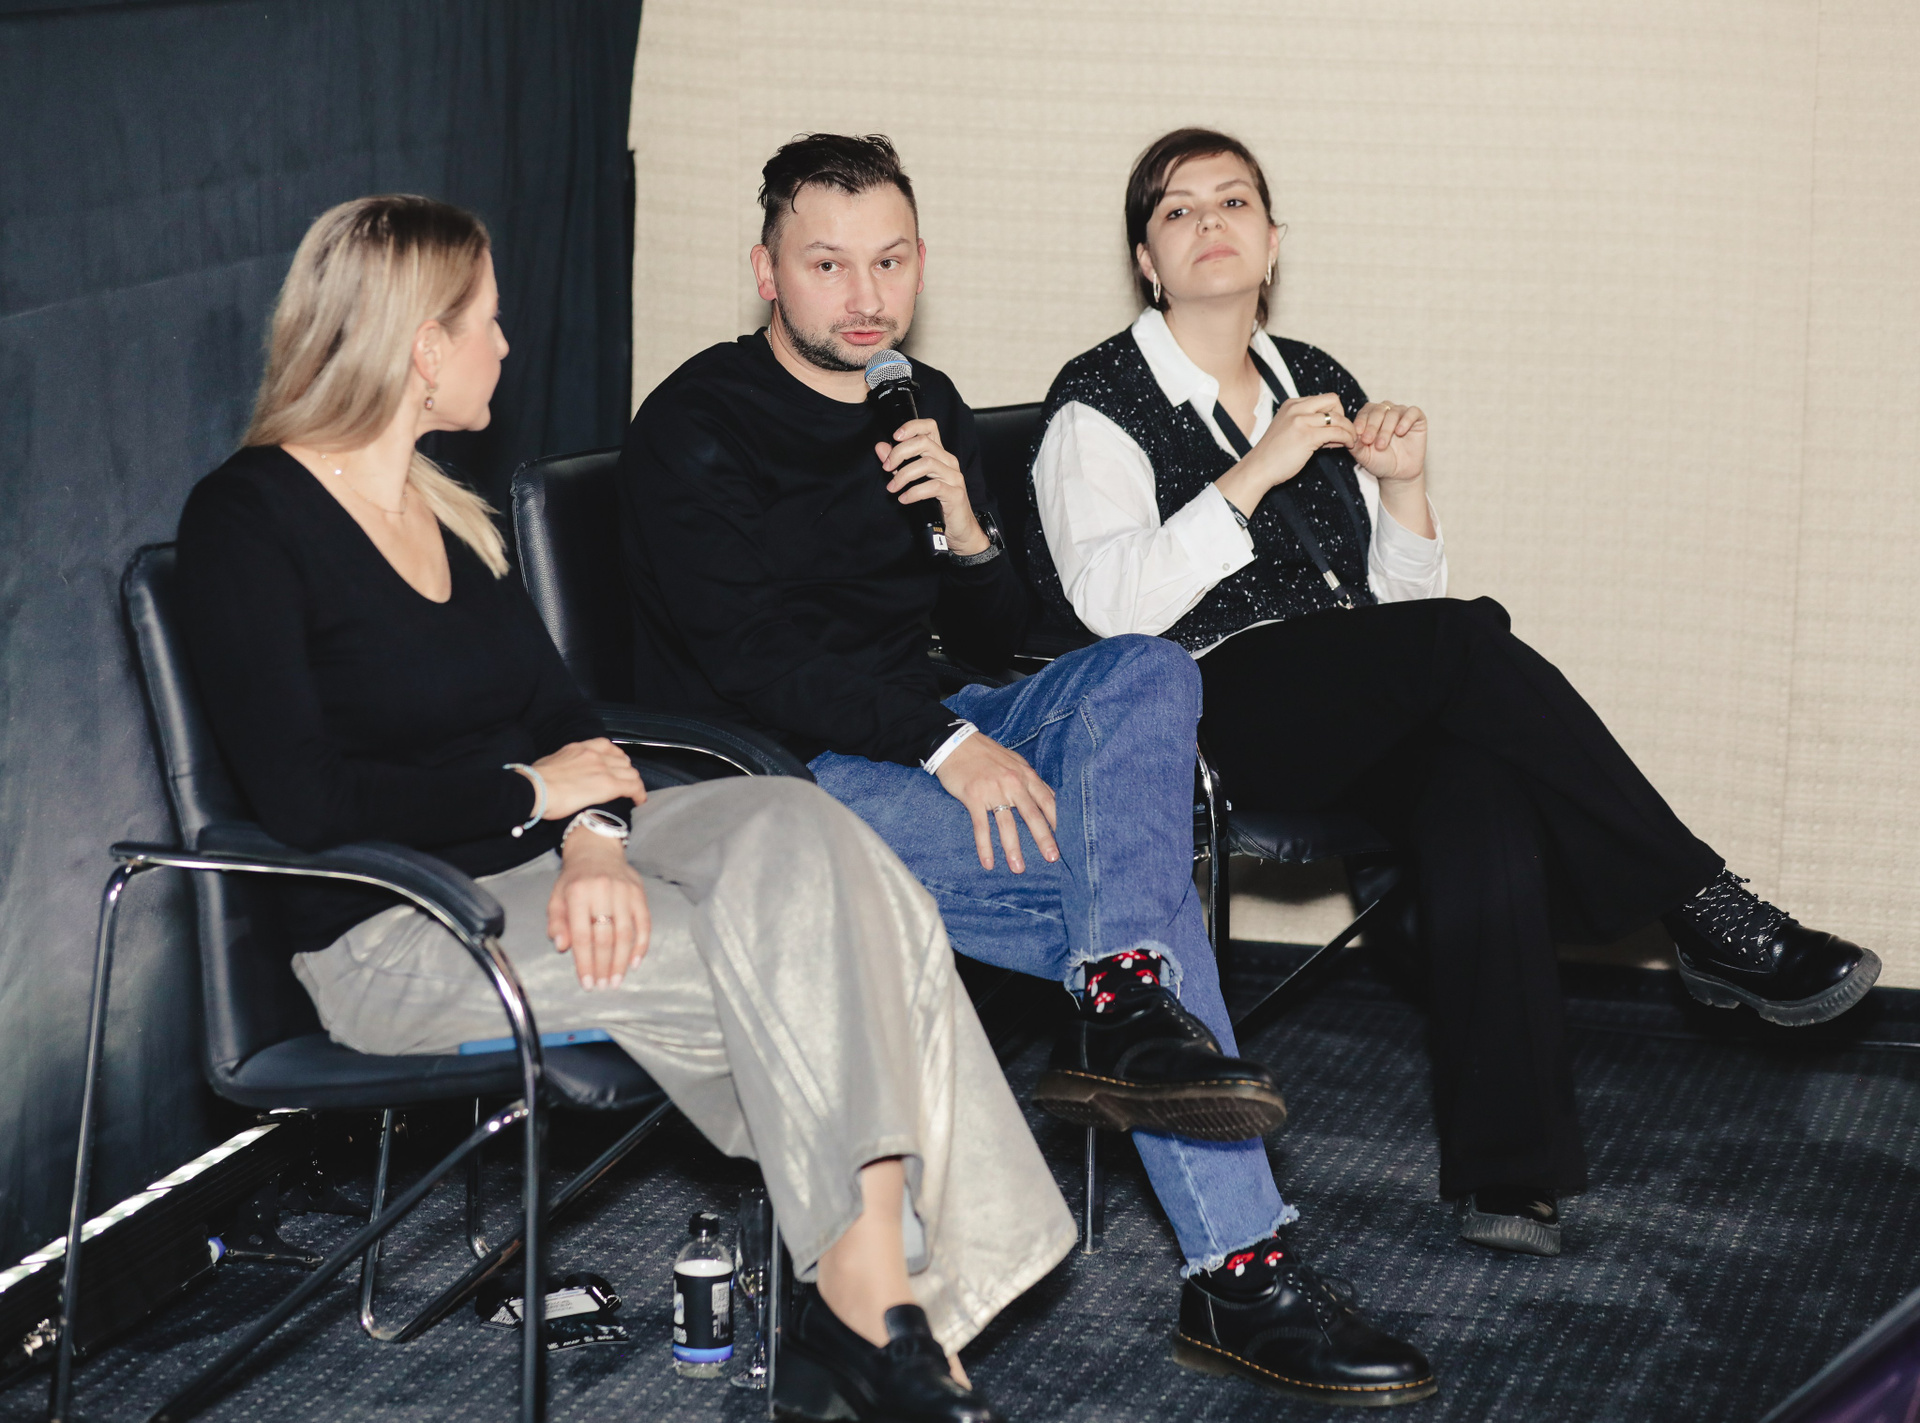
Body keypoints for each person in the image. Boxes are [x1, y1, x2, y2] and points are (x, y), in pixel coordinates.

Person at [176, 194, 1077, 1423]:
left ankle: (859, 1313)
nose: (506, 347)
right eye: (487, 324)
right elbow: (303, 796)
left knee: (804, 825)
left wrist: (590, 838)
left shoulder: (444, 511)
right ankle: (881, 1315)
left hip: (558, 867)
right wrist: (531, 797)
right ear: (423, 345)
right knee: (851, 943)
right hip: (399, 926)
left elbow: (567, 718)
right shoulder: (247, 518)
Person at [616, 134, 1437, 1409]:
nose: (865, 296)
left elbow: (1007, 633)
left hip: (931, 708)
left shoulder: (920, 398)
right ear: (767, 273)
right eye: (827, 265)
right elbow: (752, 662)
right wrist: (951, 747)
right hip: (778, 770)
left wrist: (963, 529)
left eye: (890, 261)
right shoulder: (695, 424)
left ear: (921, 262)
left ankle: (1124, 1007)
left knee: (1148, 672)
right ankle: (1239, 1262)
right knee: (1131, 892)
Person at [1027, 127, 1881, 1264]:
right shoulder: (1094, 401)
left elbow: (1395, 613)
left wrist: (1405, 489)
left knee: (1477, 791)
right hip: (1200, 708)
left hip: (1343, 699)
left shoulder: (1310, 376)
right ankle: (1703, 906)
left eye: (1235, 201)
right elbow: (1106, 606)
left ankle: (1510, 1170)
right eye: (1178, 210)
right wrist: (1255, 471)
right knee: (1469, 638)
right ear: (1147, 258)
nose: (1210, 222)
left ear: (1274, 242)